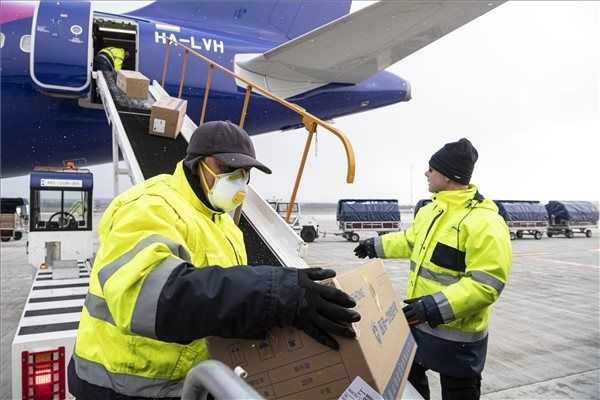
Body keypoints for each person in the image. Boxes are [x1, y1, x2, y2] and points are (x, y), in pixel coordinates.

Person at [68, 121, 361, 399]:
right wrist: (273, 293)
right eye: (228, 168)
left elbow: (224, 303)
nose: (239, 180)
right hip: (123, 387)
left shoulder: (227, 226)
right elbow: (152, 298)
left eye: (245, 172)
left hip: (188, 383)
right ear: (198, 164)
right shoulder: (149, 206)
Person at [354, 138, 511, 400]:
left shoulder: (485, 222)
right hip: (420, 325)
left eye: (432, 169)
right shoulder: (430, 211)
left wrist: (432, 307)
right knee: (411, 384)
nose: (426, 173)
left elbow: (486, 284)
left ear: (449, 177)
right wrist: (375, 245)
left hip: (458, 337)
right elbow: (410, 241)